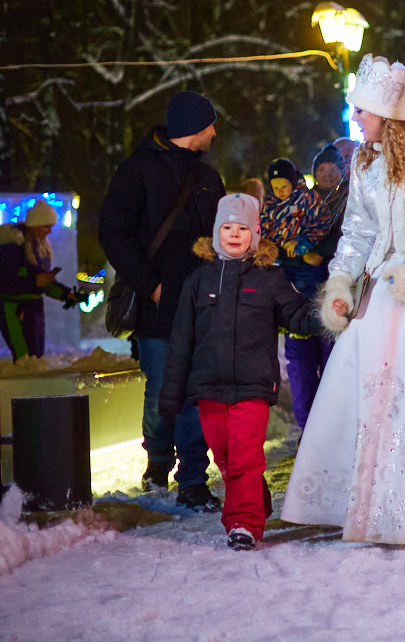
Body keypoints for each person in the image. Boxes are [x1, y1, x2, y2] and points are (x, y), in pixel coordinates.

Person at [280, 53, 405, 546]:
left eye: (360, 110)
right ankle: (360, 501)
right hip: (375, 294)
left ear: (385, 111)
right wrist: (340, 283)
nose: (355, 119)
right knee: (361, 385)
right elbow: (357, 233)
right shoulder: (364, 164)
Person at [159, 194, 320, 550]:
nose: (234, 234)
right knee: (228, 459)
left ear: (255, 234)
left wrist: (329, 312)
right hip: (209, 389)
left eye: (242, 228)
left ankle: (243, 523)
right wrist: (171, 393)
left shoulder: (270, 278)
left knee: (246, 457)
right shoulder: (198, 280)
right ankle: (256, 504)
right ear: (217, 233)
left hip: (253, 386)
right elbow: (182, 338)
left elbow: (296, 314)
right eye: (228, 227)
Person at [98, 90, 224, 511]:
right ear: (194, 127)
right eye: (209, 124)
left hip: (202, 303)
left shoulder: (208, 178)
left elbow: (222, 237)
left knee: (194, 392)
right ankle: (157, 462)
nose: (214, 131)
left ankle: (192, 479)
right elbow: (113, 233)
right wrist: (152, 285)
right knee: (161, 392)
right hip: (156, 307)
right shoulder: (137, 171)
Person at [260, 157, 332, 431]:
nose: (280, 191)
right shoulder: (270, 207)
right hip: (285, 272)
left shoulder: (309, 201)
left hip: (314, 281)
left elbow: (321, 227)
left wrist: (303, 245)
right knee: (300, 364)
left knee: (324, 359)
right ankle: (308, 426)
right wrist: (278, 249)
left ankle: (328, 424)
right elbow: (265, 234)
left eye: (284, 185)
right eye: (275, 187)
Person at [0, 199, 81, 360]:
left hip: (34, 309)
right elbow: (4, 282)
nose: (49, 231)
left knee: (36, 358)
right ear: (34, 224)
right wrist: (34, 282)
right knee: (26, 359)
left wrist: (66, 295)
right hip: (14, 309)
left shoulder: (37, 246)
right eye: (46, 226)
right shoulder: (13, 246)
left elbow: (43, 282)